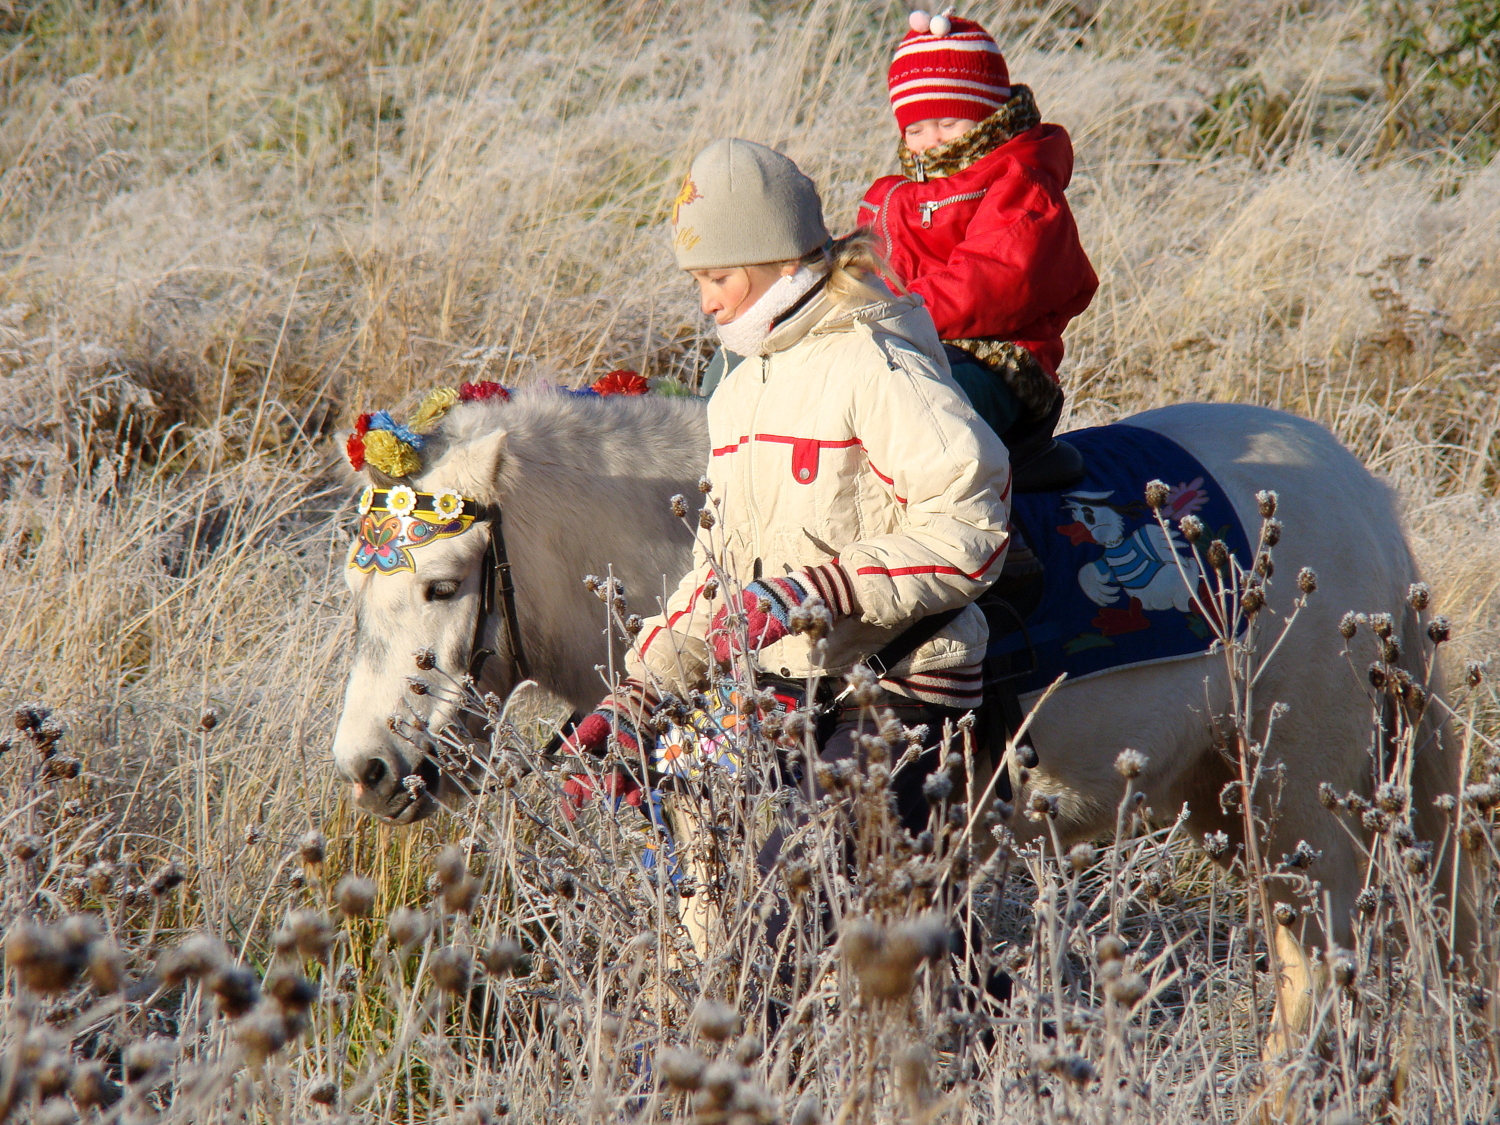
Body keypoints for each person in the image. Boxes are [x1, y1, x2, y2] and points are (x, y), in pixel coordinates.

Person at [565, 137, 1011, 836]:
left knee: (796, 891)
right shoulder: (740, 393)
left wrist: (815, 590)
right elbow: (722, 571)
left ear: (778, 257)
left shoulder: (873, 360)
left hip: (898, 684)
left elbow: (972, 526)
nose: (706, 303)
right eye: (697, 281)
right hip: (782, 685)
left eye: (719, 277)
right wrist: (640, 696)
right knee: (695, 825)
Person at [857, 9, 1097, 460]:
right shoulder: (892, 196)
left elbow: (993, 279)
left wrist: (893, 312)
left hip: (999, 364)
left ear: (987, 117)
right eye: (915, 128)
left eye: (949, 124)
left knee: (919, 417)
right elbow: (866, 273)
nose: (932, 140)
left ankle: (955, 526)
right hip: (905, 342)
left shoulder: (1021, 184)